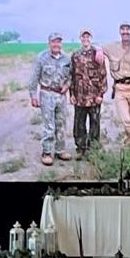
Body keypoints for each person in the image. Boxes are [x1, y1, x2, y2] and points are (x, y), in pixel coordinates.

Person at [30, 32, 73, 166]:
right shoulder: (42, 58)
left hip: (61, 95)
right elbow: (34, 78)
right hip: (46, 94)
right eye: (54, 42)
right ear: (49, 43)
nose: (56, 44)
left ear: (61, 43)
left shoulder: (66, 59)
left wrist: (67, 85)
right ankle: (47, 152)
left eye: (58, 41)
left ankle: (60, 150)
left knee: (61, 123)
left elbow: (71, 76)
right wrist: (33, 95)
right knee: (49, 124)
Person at [68, 29, 109, 158]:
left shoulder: (97, 54)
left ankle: (93, 149)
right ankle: (80, 148)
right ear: (80, 38)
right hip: (80, 96)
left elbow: (103, 74)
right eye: (83, 36)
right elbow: (72, 76)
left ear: (91, 38)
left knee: (95, 123)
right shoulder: (75, 55)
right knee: (79, 123)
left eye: (88, 36)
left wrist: (100, 94)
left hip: (94, 96)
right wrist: (72, 94)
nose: (85, 39)